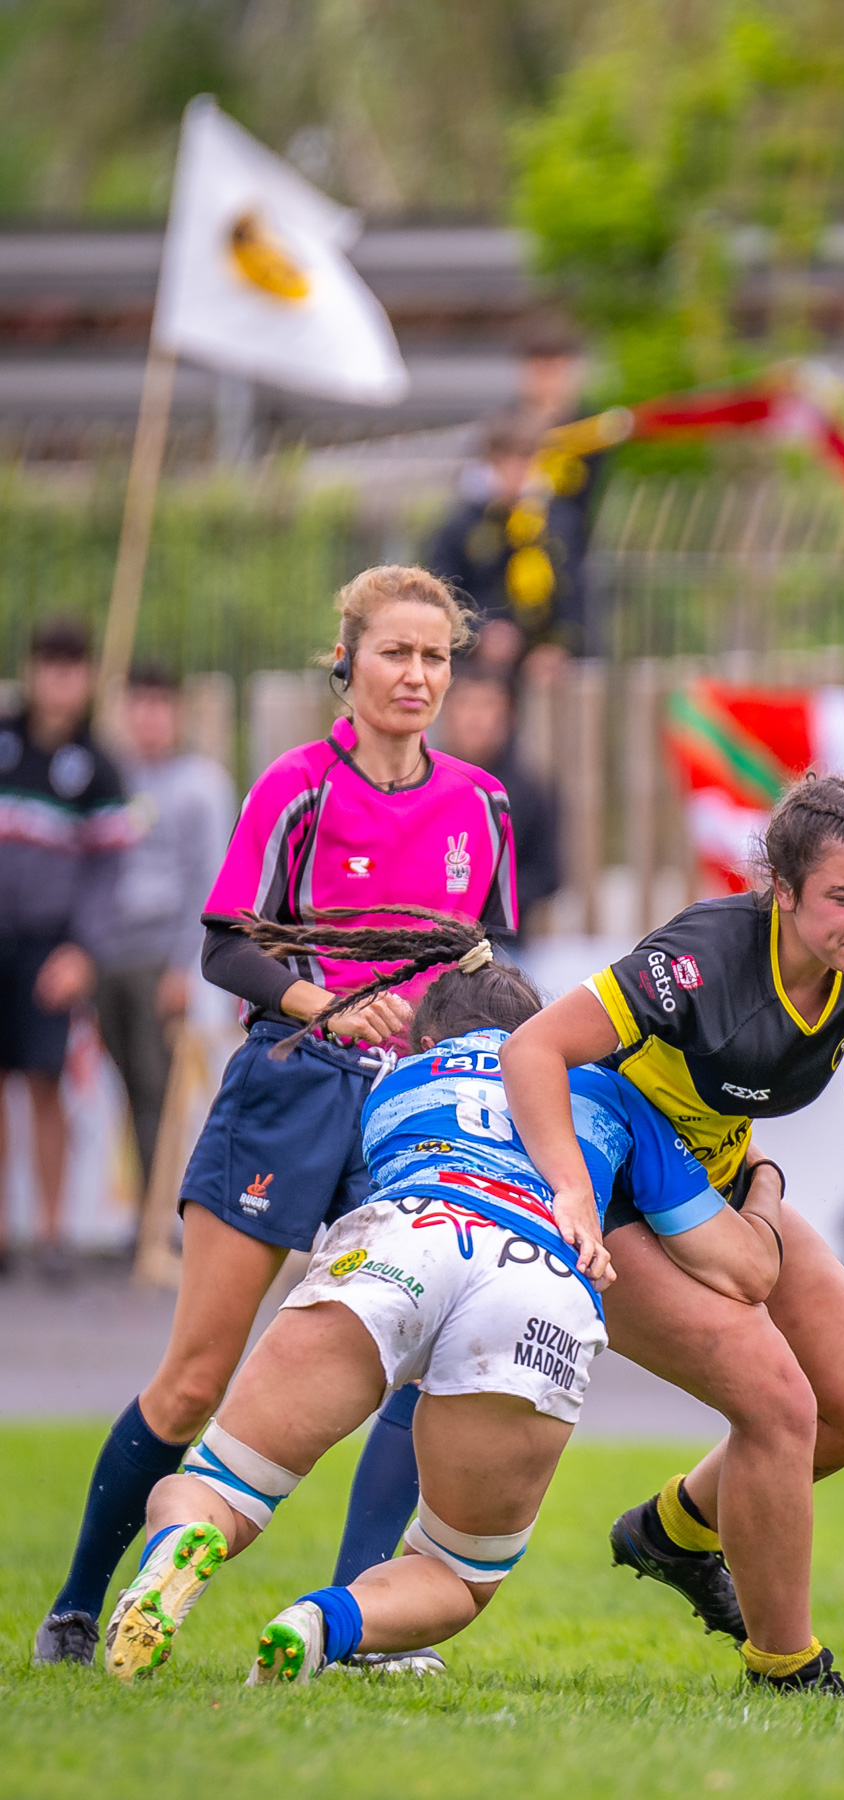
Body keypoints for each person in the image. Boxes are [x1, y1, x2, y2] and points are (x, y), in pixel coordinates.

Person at [34, 565, 517, 1669]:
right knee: (199, 1377)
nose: (417, 675)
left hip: (412, 1113)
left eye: (436, 656)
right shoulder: (297, 788)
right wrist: (329, 1007)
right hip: (290, 1086)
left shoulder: (481, 806)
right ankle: (73, 1606)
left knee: (423, 1356)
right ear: (345, 663)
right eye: (395, 652)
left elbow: (486, 963)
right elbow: (224, 945)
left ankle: (356, 1622)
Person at [102, 950, 798, 1690]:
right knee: (456, 1570)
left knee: (223, 1482)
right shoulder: (610, 1094)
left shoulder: (394, 1080)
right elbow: (746, 1270)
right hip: (540, 1288)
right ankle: (322, 1622)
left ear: (424, 1043)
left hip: (401, 1237)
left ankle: (180, 1544)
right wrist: (764, 1181)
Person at [497, 775, 844, 1663]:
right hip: (610, 1187)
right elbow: (531, 1046)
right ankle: (787, 1666)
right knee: (779, 1404)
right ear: (783, 888)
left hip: (718, 1178)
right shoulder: (705, 957)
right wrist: (571, 1195)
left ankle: (675, 1530)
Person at [0, 615, 131, 1281]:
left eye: (71, 666)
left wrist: (82, 950)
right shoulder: (4, 739)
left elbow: (110, 877)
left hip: (52, 948)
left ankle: (52, 1236)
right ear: (30, 668)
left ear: (86, 678)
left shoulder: (98, 767)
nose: (58, 679)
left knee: (46, 1087)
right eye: (48, 664)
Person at [93, 662, 234, 1199]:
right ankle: (143, 1216)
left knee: (162, 1088)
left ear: (177, 713)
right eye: (138, 703)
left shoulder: (201, 785)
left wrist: (183, 965)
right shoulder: (109, 778)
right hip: (109, 954)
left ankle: (168, 1213)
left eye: (160, 703)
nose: (148, 716)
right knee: (127, 1086)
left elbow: (209, 878)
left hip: (165, 961)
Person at [427, 415, 583, 675]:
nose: (517, 472)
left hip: (542, 667)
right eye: (506, 461)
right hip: (477, 666)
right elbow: (442, 594)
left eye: (525, 460)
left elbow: (575, 592)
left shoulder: (558, 521)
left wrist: (558, 646)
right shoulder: (462, 524)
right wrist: (479, 635)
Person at [435, 668, 559, 940]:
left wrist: (478, 895)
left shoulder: (530, 791)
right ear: (445, 713)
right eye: (465, 703)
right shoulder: (422, 786)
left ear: (509, 717)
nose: (475, 717)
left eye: (488, 705)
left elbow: (548, 877)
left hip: (503, 946)